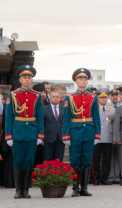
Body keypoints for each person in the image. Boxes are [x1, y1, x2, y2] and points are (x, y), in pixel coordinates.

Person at [5, 65, 44, 198]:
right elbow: (9, 116)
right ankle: (18, 190)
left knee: (29, 160)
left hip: (32, 131)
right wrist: (8, 135)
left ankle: (26, 190)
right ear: (20, 79)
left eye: (29, 78)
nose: (27, 80)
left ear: (32, 80)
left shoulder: (37, 96)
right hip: (18, 131)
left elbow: (40, 116)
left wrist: (40, 134)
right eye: (24, 77)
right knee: (18, 160)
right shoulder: (13, 95)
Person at [62, 68, 101, 197]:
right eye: (80, 79)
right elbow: (66, 118)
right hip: (75, 132)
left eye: (85, 79)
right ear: (76, 82)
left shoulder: (93, 98)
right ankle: (75, 188)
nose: (83, 81)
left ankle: (84, 187)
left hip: (89, 131)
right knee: (74, 161)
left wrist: (97, 134)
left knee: (87, 160)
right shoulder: (70, 98)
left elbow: (96, 117)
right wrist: (66, 135)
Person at [92, 88, 114, 186]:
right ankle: (96, 178)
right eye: (101, 97)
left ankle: (105, 178)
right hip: (97, 137)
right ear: (98, 98)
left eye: (105, 97)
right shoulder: (94, 109)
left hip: (108, 137)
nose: (103, 99)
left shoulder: (112, 110)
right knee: (96, 159)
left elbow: (115, 125)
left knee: (107, 159)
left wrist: (114, 137)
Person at [43, 91, 65, 162]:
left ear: (59, 99)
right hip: (48, 138)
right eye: (53, 97)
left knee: (59, 160)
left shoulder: (64, 109)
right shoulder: (44, 109)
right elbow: (42, 124)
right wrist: (42, 138)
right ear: (50, 99)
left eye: (57, 97)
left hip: (60, 139)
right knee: (47, 159)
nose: (55, 98)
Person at [108, 90, 121, 185]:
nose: (115, 97)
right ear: (109, 97)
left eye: (116, 95)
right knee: (110, 157)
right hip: (109, 136)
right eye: (112, 95)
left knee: (119, 157)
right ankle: (110, 176)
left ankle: (117, 176)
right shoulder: (107, 108)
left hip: (120, 137)